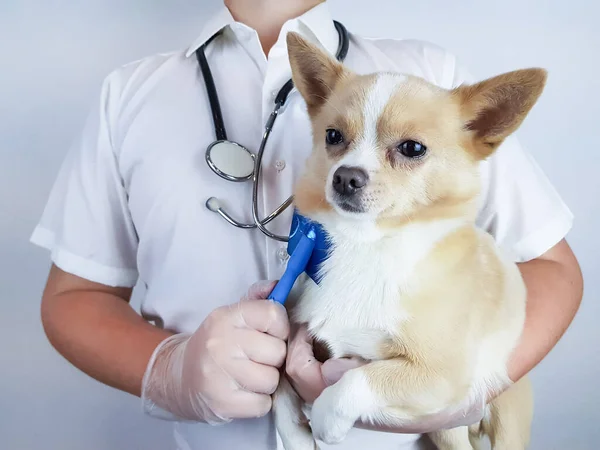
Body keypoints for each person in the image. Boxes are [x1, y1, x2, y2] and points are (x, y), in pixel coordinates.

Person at [31, 0, 583, 449]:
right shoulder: (129, 95)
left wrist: (460, 378)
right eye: (337, 139)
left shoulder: (432, 79)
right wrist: (169, 372)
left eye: (408, 149)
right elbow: (75, 294)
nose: (350, 168)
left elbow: (549, 264)